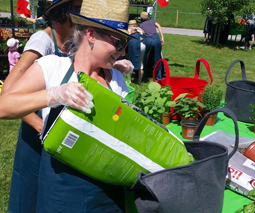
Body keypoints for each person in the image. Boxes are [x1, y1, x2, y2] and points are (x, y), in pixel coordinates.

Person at [0, 0, 131, 211]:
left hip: (107, 198)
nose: (123, 51)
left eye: (125, 43)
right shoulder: (53, 66)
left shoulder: (116, 78)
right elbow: (3, 106)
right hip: (60, 196)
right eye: (119, 42)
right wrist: (55, 95)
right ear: (91, 35)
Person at [138, 11, 164, 81]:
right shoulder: (153, 22)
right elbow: (159, 26)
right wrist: (162, 38)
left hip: (148, 40)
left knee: (145, 58)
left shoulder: (141, 25)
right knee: (157, 58)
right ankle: (158, 77)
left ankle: (144, 76)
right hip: (156, 39)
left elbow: (141, 33)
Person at [127, 19, 145, 84]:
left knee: (130, 62)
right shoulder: (140, 29)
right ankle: (139, 81)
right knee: (141, 64)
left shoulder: (129, 30)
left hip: (134, 44)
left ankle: (129, 80)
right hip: (143, 44)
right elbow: (144, 34)